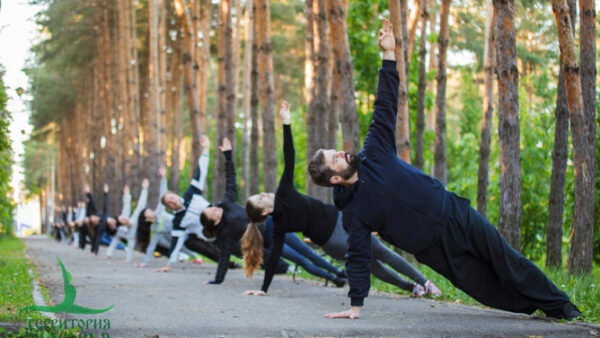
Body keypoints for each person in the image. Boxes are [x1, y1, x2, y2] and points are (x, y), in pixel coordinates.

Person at [307, 19, 580, 320]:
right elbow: (358, 257)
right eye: (337, 158)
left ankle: (563, 307)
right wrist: (355, 306)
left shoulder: (375, 151)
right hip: (433, 248)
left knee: (505, 259)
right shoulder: (353, 215)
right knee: (483, 287)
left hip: (453, 212)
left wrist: (389, 54)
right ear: (335, 178)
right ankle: (534, 308)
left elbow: (385, 102)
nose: (343, 152)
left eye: (336, 151)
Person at [243, 100, 438, 297]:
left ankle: (415, 286)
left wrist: (286, 122)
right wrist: (263, 289)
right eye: (260, 199)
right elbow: (275, 256)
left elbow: (289, 156)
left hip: (333, 236)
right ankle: (423, 283)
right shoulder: (280, 217)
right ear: (265, 212)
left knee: (373, 263)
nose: (263, 194)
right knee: (379, 254)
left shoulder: (280, 210)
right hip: (337, 232)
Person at [200, 138, 290, 284]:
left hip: (271, 223)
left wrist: (228, 156)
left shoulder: (227, 203)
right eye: (212, 213)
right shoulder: (225, 234)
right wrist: (217, 280)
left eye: (211, 207)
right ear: (214, 222)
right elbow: (224, 257)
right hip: (265, 239)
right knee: (284, 255)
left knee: (300, 247)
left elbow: (230, 180)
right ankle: (291, 268)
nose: (215, 208)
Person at [156, 135, 219, 272]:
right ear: (169, 208)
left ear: (175, 195)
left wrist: (206, 149)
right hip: (214, 238)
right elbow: (176, 242)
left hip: (224, 223)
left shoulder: (192, 193)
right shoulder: (178, 221)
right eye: (169, 203)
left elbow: (200, 172)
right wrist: (169, 264)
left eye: (172, 197)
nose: (172, 201)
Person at [136, 166, 205, 267]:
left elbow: (163, 193)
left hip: (187, 225)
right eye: (148, 213)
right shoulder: (155, 230)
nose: (151, 211)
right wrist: (144, 263)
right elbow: (152, 246)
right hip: (179, 234)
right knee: (181, 246)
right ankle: (196, 257)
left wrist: (163, 178)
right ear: (147, 219)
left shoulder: (159, 211)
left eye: (150, 210)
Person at [106, 179, 149, 261]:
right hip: (135, 234)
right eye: (122, 219)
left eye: (122, 217)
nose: (124, 218)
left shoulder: (133, 219)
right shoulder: (121, 229)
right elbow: (115, 241)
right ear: (121, 223)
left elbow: (138, 205)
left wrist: (143, 189)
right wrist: (108, 255)